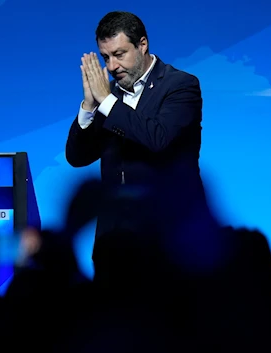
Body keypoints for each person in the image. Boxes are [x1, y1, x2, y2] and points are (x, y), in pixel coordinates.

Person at [65, 11, 205, 241]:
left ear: (142, 44)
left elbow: (158, 139)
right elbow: (77, 157)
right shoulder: (106, 95)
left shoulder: (181, 85)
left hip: (170, 236)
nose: (111, 66)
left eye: (119, 54)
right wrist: (89, 106)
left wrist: (107, 102)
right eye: (105, 57)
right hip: (113, 239)